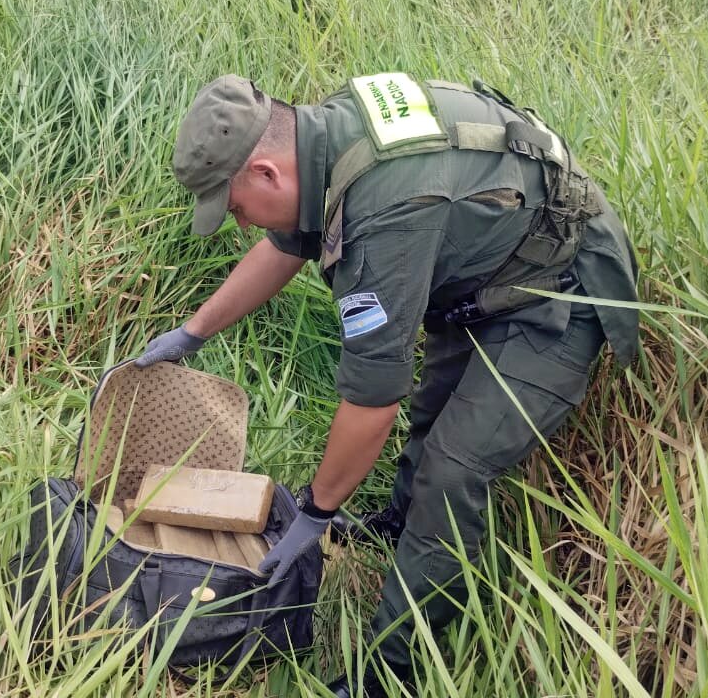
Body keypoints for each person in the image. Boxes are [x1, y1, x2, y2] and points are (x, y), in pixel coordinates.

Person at [134, 73, 638, 697]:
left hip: (556, 294)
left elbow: (371, 402)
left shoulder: (386, 214)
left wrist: (315, 513)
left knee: (453, 472)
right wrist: (194, 332)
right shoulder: (325, 138)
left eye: (233, 206)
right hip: (487, 265)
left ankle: (392, 669)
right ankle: (401, 526)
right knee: (435, 414)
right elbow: (283, 245)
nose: (236, 223)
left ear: (266, 173)